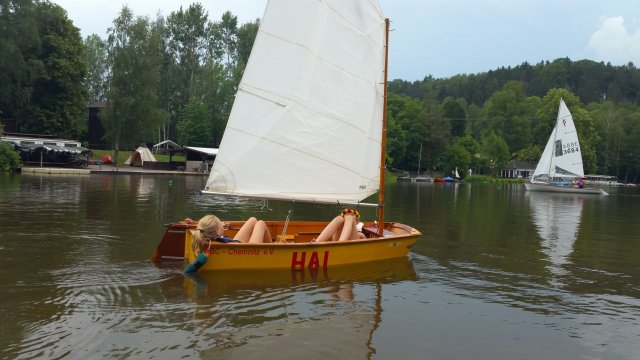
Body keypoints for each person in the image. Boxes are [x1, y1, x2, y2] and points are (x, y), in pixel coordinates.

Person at [193, 215, 272, 253]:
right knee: (260, 223)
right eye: (220, 223)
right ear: (217, 232)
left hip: (237, 243)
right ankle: (273, 250)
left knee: (253, 219)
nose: (222, 223)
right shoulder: (215, 238)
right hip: (249, 251)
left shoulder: (206, 234)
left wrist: (221, 227)